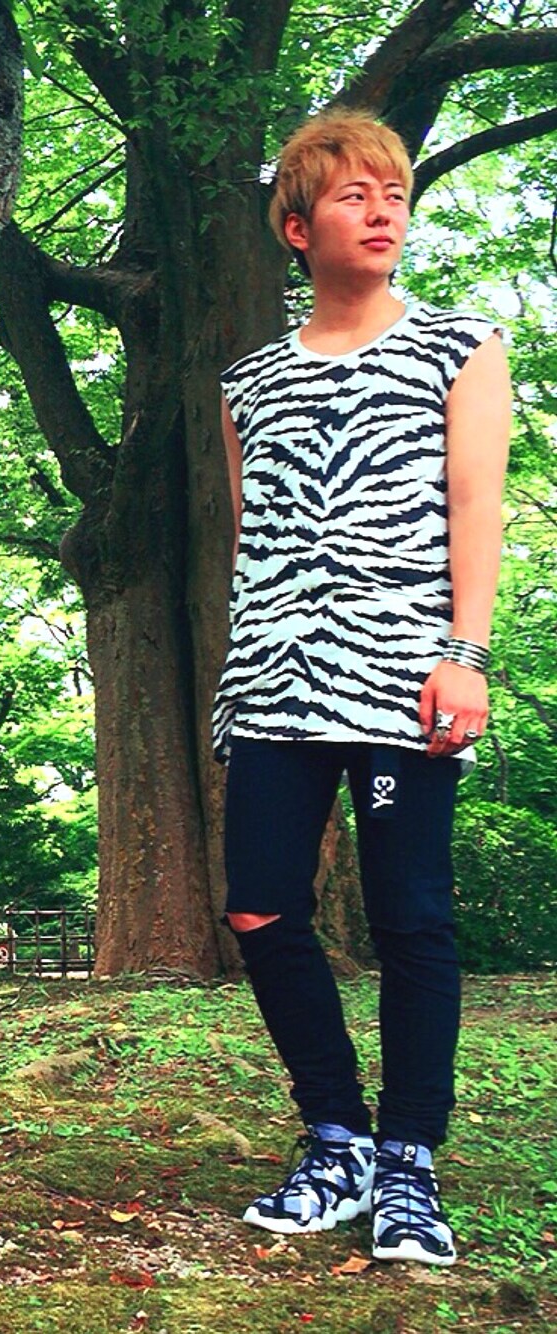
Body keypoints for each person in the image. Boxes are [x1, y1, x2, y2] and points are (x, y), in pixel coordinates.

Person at [212, 107, 511, 1266]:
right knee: (259, 907)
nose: (383, 210)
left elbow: (475, 509)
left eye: (394, 193)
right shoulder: (247, 383)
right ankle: (334, 1134)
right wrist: (244, 669)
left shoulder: (459, 345)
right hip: (272, 684)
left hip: (403, 678)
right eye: (354, 194)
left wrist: (464, 654)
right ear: (297, 228)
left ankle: (409, 1162)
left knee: (410, 917)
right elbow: (252, 538)